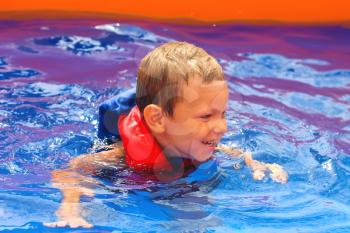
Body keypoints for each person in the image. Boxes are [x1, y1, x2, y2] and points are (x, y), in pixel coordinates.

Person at [44, 41, 287, 228]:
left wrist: (257, 164)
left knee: (196, 213)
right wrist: (70, 206)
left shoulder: (203, 142)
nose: (222, 127)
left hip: (177, 184)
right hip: (131, 187)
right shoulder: (119, 156)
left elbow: (232, 152)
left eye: (222, 114)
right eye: (206, 116)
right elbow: (73, 169)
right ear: (158, 119)